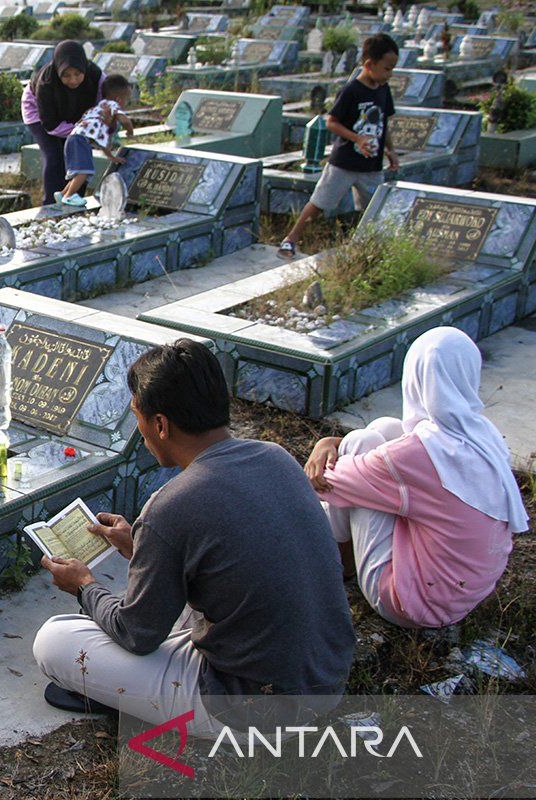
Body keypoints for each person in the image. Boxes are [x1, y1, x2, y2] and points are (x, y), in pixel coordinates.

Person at [32, 340, 354, 734]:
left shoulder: (169, 505)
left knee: (54, 640)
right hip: (328, 681)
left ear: (161, 424)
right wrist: (140, 545)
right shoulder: (276, 457)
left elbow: (137, 634)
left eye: (139, 417)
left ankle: (118, 697)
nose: (142, 432)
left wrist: (84, 586)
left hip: (250, 709)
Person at [306, 327, 527, 629]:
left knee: (358, 442)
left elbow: (323, 482)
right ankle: (336, 554)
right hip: (463, 594)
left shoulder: (417, 455)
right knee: (384, 428)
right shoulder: (481, 434)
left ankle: (333, 563)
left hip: (415, 604)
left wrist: (323, 444)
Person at [278, 33, 400, 258]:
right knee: (319, 202)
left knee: (375, 208)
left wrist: (390, 151)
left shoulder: (383, 90)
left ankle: (373, 249)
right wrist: (357, 138)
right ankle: (291, 239)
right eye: (387, 68)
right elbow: (331, 122)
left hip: (371, 165)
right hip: (344, 162)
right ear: (369, 64)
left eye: (392, 69)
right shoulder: (352, 90)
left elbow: (385, 122)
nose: (389, 74)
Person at [22, 40, 104, 207]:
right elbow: (50, 125)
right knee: (54, 156)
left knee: (79, 153)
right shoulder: (46, 82)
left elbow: (103, 104)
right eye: (66, 75)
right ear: (58, 71)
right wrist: (78, 129)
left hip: (76, 115)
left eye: (78, 74)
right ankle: (51, 205)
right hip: (40, 114)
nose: (73, 80)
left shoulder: (96, 75)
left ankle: (74, 198)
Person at [55, 73, 135, 207]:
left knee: (78, 170)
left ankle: (63, 193)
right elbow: (125, 120)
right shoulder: (113, 107)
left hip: (72, 138)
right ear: (119, 99)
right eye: (126, 100)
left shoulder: (99, 107)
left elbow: (104, 142)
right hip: (80, 140)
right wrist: (130, 132)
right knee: (84, 170)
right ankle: (69, 196)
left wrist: (112, 158)